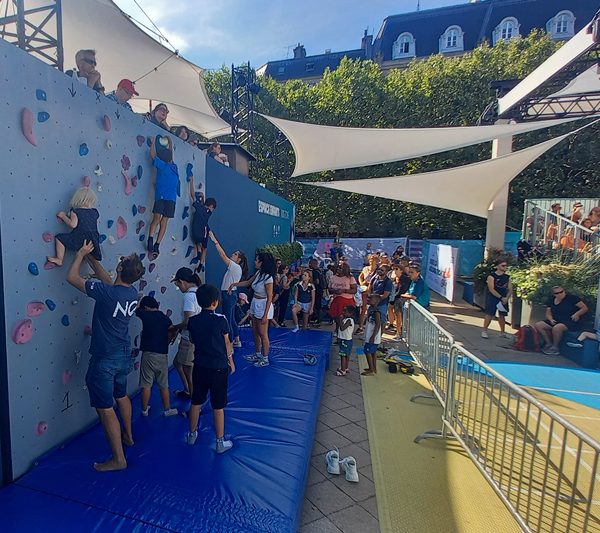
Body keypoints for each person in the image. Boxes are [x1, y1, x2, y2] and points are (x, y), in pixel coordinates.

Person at [66, 241, 144, 471]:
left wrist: (80, 254)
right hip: (122, 355)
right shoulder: (130, 292)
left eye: (121, 261)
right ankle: (128, 436)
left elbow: (71, 277)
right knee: (121, 396)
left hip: (105, 359)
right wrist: (93, 260)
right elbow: (109, 281)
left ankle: (119, 459)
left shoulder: (107, 293)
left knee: (105, 408)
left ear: (120, 268)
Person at [185, 284, 235, 453]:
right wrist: (231, 362)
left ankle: (192, 435)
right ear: (215, 302)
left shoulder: (193, 321)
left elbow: (192, 339)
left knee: (196, 402)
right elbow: (227, 343)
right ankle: (220, 442)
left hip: (199, 365)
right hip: (219, 368)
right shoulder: (221, 320)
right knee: (218, 405)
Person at [230, 252, 276, 368]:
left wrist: (265, 315)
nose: (255, 261)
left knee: (262, 333)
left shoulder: (268, 278)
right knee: (255, 331)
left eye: (256, 260)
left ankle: (265, 358)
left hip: (263, 305)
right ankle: (258, 353)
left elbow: (270, 297)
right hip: (255, 303)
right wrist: (234, 284)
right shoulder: (259, 273)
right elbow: (247, 282)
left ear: (261, 262)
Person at [135, 296, 178, 417]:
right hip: (162, 355)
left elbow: (137, 310)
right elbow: (172, 330)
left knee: (146, 384)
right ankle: (167, 409)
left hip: (148, 355)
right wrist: (169, 340)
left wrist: (140, 299)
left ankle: (144, 410)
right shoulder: (165, 318)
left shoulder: (145, 315)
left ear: (147, 308)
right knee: (163, 384)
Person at [208, 231, 248, 348]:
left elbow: (222, 255)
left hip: (228, 295)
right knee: (231, 319)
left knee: (227, 320)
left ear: (239, 259)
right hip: (230, 294)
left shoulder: (235, 266)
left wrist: (215, 241)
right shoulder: (237, 268)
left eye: (235, 254)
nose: (233, 254)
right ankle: (236, 340)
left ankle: (229, 344)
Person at [47, 187, 101, 266]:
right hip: (92, 241)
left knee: (59, 238)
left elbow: (73, 224)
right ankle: (85, 257)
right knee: (87, 243)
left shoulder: (76, 211)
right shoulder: (95, 212)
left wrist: (63, 216)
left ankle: (59, 259)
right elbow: (95, 224)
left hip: (79, 239)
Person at [170, 268, 202, 398]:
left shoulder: (188, 296)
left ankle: (194, 401)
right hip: (197, 336)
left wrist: (175, 327)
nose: (178, 286)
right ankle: (188, 390)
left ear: (182, 282)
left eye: (177, 283)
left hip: (189, 339)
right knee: (177, 362)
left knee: (190, 373)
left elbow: (188, 321)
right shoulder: (199, 292)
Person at [147, 135, 178, 258]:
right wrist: (165, 141)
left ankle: (155, 243)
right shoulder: (169, 166)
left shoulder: (168, 166)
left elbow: (153, 155)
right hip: (166, 198)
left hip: (166, 198)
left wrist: (154, 142)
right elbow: (157, 155)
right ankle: (153, 241)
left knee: (160, 221)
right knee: (159, 220)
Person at [534, 287, 588, 355]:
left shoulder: (572, 298)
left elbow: (584, 308)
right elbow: (548, 313)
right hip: (556, 320)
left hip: (570, 321)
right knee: (539, 325)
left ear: (564, 291)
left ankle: (555, 347)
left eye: (561, 292)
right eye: (557, 293)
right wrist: (551, 319)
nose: (560, 294)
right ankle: (548, 343)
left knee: (557, 327)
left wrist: (577, 314)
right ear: (554, 294)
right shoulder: (551, 300)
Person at [481, 258, 512, 339]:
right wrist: (501, 297)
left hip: (503, 297)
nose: (505, 267)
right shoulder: (491, 276)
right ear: (497, 266)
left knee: (502, 315)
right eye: (503, 265)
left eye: (506, 266)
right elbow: (491, 289)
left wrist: (506, 297)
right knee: (489, 314)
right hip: (493, 297)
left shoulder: (507, 277)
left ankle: (502, 332)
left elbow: (510, 289)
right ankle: (484, 330)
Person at [189, 185, 217, 271]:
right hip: (204, 232)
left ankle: (199, 253)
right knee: (205, 247)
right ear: (211, 206)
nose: (213, 210)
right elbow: (207, 208)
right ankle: (201, 263)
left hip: (195, 231)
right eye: (213, 208)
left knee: (197, 242)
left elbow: (193, 196)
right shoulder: (208, 213)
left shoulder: (199, 207)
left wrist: (191, 183)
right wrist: (203, 196)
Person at [328, 262, 357, 333]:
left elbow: (354, 290)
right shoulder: (333, 277)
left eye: (340, 268)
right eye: (337, 267)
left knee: (345, 318)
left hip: (347, 301)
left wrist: (344, 290)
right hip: (336, 300)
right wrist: (335, 291)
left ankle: (344, 334)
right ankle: (338, 331)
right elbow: (329, 289)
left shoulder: (350, 278)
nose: (338, 269)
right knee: (337, 318)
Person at [368, 264, 393, 336]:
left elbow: (385, 295)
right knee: (370, 319)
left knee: (381, 321)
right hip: (372, 303)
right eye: (379, 269)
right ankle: (369, 335)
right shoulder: (374, 278)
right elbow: (369, 288)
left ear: (386, 272)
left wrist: (376, 299)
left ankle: (379, 337)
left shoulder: (388, 281)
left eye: (382, 270)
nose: (379, 271)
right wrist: (370, 297)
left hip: (382, 304)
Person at [357, 254, 378, 333]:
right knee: (363, 309)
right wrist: (361, 282)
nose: (371, 261)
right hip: (364, 290)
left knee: (373, 309)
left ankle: (373, 326)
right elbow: (360, 276)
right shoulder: (365, 268)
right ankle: (361, 326)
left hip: (373, 291)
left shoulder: (378, 270)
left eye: (373, 260)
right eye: (370, 260)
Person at [362, 294, 382, 376]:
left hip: (373, 336)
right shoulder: (371, 310)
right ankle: (373, 367)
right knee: (373, 352)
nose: (368, 299)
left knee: (367, 351)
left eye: (371, 298)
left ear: (376, 301)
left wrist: (373, 336)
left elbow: (378, 324)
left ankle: (371, 370)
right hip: (370, 335)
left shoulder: (376, 312)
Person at [391, 259, 411, 340]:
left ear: (401, 271)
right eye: (394, 269)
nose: (395, 271)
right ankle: (398, 332)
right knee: (397, 316)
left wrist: (393, 296)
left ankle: (402, 333)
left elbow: (401, 290)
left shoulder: (405, 279)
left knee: (403, 317)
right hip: (396, 301)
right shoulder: (394, 279)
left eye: (396, 269)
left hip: (402, 300)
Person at [336, 306, 355, 376]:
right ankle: (345, 367)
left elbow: (342, 328)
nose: (343, 312)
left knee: (343, 355)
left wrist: (340, 320)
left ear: (350, 313)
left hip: (345, 341)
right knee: (346, 355)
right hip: (345, 340)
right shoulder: (346, 319)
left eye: (345, 311)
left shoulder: (349, 320)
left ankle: (343, 370)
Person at [308, 258, 325, 325]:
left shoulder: (315, 271)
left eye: (310, 263)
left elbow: (317, 282)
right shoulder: (320, 270)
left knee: (316, 305)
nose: (309, 265)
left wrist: (311, 281)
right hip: (320, 290)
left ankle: (317, 320)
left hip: (317, 291)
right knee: (318, 305)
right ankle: (317, 319)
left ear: (312, 264)